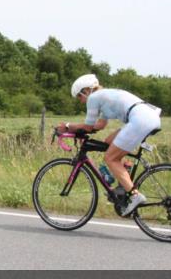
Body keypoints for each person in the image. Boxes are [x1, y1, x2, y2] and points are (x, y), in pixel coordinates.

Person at [56, 74, 162, 216]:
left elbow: (88, 127)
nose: (80, 101)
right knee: (108, 142)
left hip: (140, 120)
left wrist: (68, 126)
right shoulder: (105, 96)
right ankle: (124, 175)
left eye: (79, 97)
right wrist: (80, 129)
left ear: (86, 91)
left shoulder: (93, 98)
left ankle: (135, 195)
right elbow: (100, 124)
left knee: (111, 158)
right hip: (148, 117)